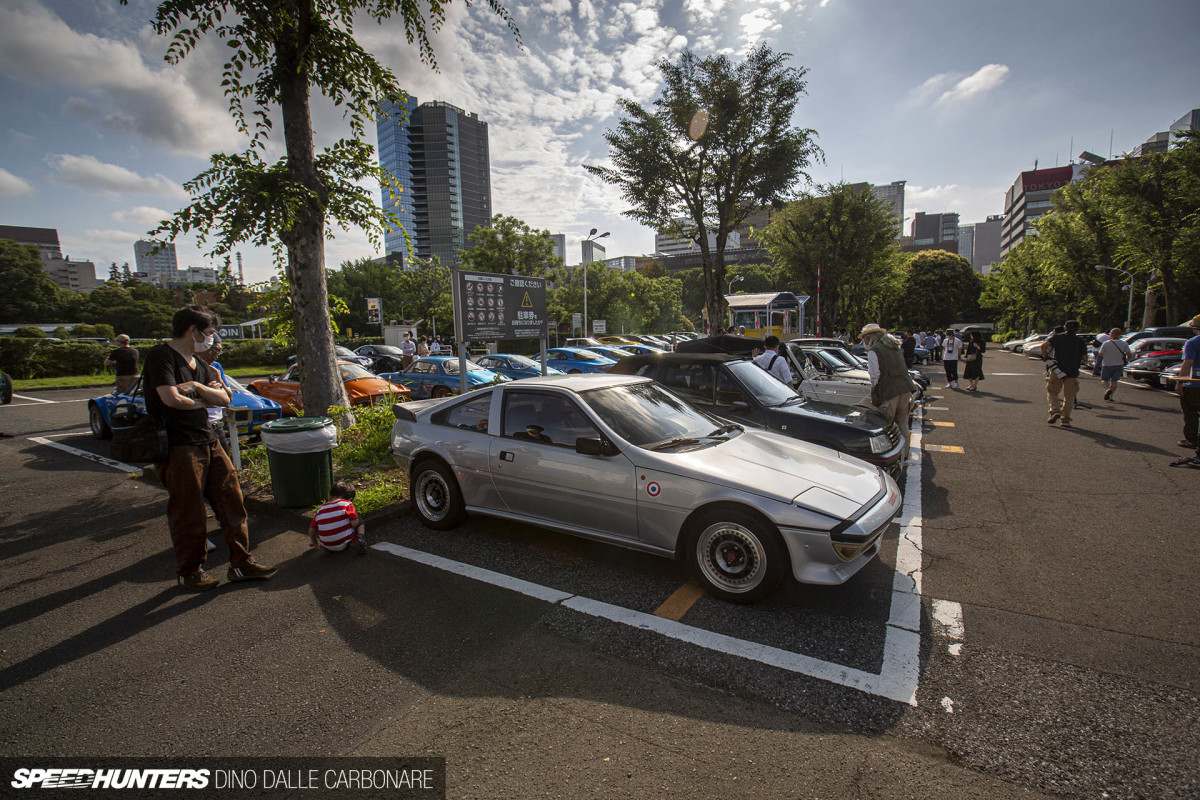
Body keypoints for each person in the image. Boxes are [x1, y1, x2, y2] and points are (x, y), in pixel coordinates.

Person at [143, 305, 276, 591]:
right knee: (188, 510)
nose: (211, 339)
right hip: (179, 445)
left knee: (232, 500)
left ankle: (242, 563)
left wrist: (198, 389)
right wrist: (206, 399)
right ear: (193, 331)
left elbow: (226, 397)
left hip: (209, 438)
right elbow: (171, 398)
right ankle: (190, 571)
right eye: (210, 333)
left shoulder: (198, 365)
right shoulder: (161, 357)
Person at [860, 323, 918, 461]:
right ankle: (904, 454)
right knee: (903, 424)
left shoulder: (874, 350)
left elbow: (874, 375)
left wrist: (875, 391)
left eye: (865, 339)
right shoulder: (894, 347)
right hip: (905, 388)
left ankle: (893, 457)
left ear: (869, 338)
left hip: (888, 391)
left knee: (886, 425)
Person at [1040, 319, 1087, 428]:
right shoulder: (1080, 341)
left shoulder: (1058, 338)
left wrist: (1046, 356)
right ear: (1077, 329)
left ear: (1065, 328)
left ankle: (1055, 410)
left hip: (1057, 368)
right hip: (1072, 371)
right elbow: (1084, 358)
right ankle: (1065, 420)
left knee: (1052, 391)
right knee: (1069, 396)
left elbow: (1044, 346)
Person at [309, 481, 367, 554]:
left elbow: (311, 530)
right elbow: (355, 523)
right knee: (360, 521)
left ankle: (328, 543)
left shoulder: (320, 510)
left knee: (321, 525)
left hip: (327, 546)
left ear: (329, 495)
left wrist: (315, 543)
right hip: (344, 544)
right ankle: (360, 541)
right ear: (349, 499)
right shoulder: (347, 504)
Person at [1171, 315, 1200, 461]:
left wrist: (1180, 382)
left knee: (1190, 413)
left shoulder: (1193, 342)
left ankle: (1192, 439)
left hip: (1195, 384)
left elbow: (1187, 363)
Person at [196, 335, 231, 454]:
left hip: (217, 425)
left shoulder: (216, 367)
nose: (215, 355)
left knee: (225, 467)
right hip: (199, 426)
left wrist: (219, 379)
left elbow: (228, 398)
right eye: (213, 350)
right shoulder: (191, 366)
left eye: (219, 351)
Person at [1098, 328, 1131, 401]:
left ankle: (1107, 390)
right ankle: (1111, 396)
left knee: (1104, 380)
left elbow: (1101, 354)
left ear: (1112, 334)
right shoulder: (1124, 343)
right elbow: (1129, 354)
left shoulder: (1106, 343)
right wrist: (1127, 359)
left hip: (1107, 364)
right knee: (1114, 381)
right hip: (1119, 364)